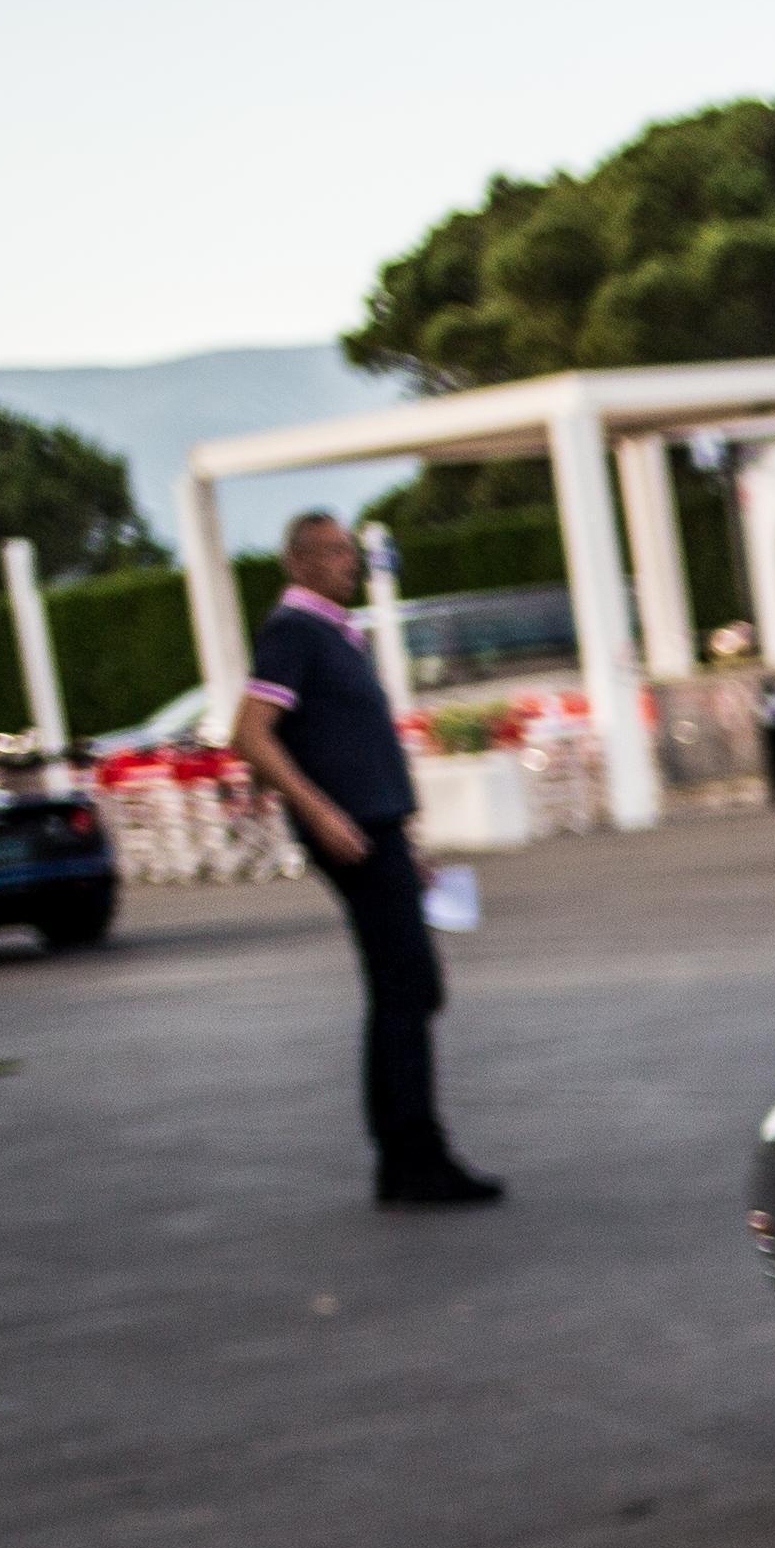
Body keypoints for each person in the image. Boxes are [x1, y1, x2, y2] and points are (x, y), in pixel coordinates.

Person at [229, 512, 498, 1207]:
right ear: (297, 562)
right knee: (405, 987)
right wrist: (320, 813)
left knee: (408, 987)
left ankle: (405, 1158)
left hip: (379, 833)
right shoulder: (294, 631)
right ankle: (414, 1159)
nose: (348, 562)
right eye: (332, 552)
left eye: (350, 551)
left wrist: (405, 843)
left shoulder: (336, 634)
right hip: (351, 835)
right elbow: (251, 733)